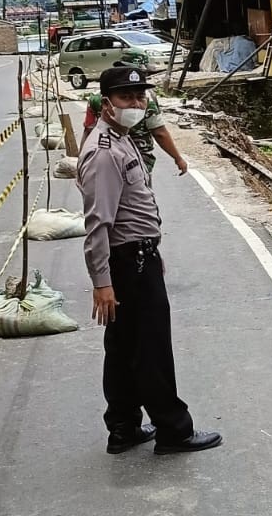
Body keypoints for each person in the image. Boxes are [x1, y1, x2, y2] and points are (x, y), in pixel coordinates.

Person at [77, 65, 220, 456]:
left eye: (140, 97)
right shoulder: (105, 152)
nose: (136, 104)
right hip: (129, 264)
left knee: (123, 346)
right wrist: (102, 282)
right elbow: (98, 224)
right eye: (127, 98)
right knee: (152, 348)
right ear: (106, 104)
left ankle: (123, 427)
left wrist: (151, 249)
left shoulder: (121, 139)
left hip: (138, 256)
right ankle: (173, 430)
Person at [82, 90, 188, 177]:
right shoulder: (147, 100)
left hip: (105, 158)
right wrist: (178, 158)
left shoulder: (95, 98)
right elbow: (159, 133)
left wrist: (82, 160)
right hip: (139, 160)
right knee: (140, 198)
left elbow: (88, 129)